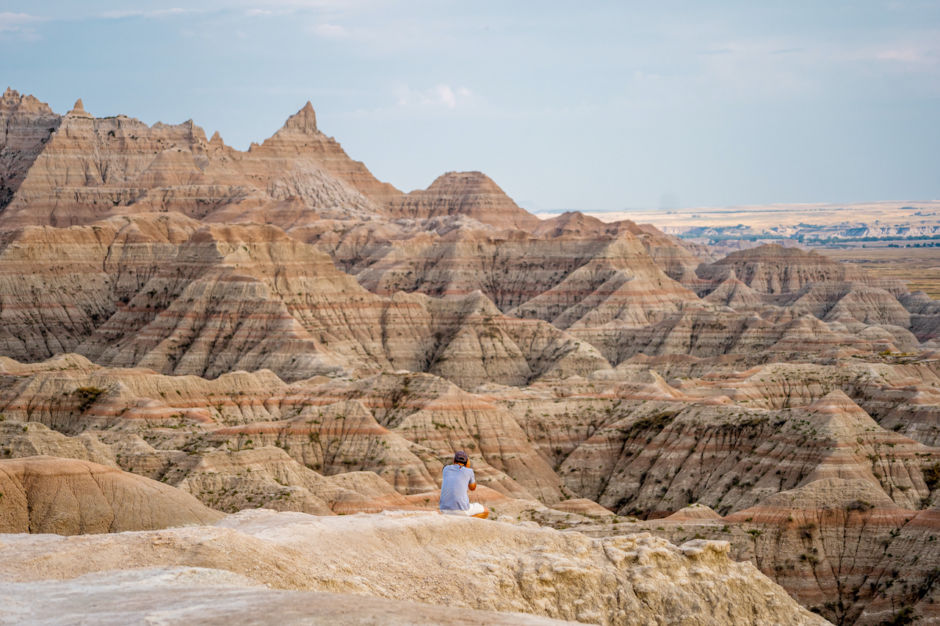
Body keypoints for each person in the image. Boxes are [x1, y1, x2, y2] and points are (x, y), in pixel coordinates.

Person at [439, 450, 489, 518]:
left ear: (454, 460)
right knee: (486, 511)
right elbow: (472, 488)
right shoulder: (469, 471)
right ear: (466, 462)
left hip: (443, 509)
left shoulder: (446, 469)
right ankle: (468, 522)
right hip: (461, 509)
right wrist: (467, 467)